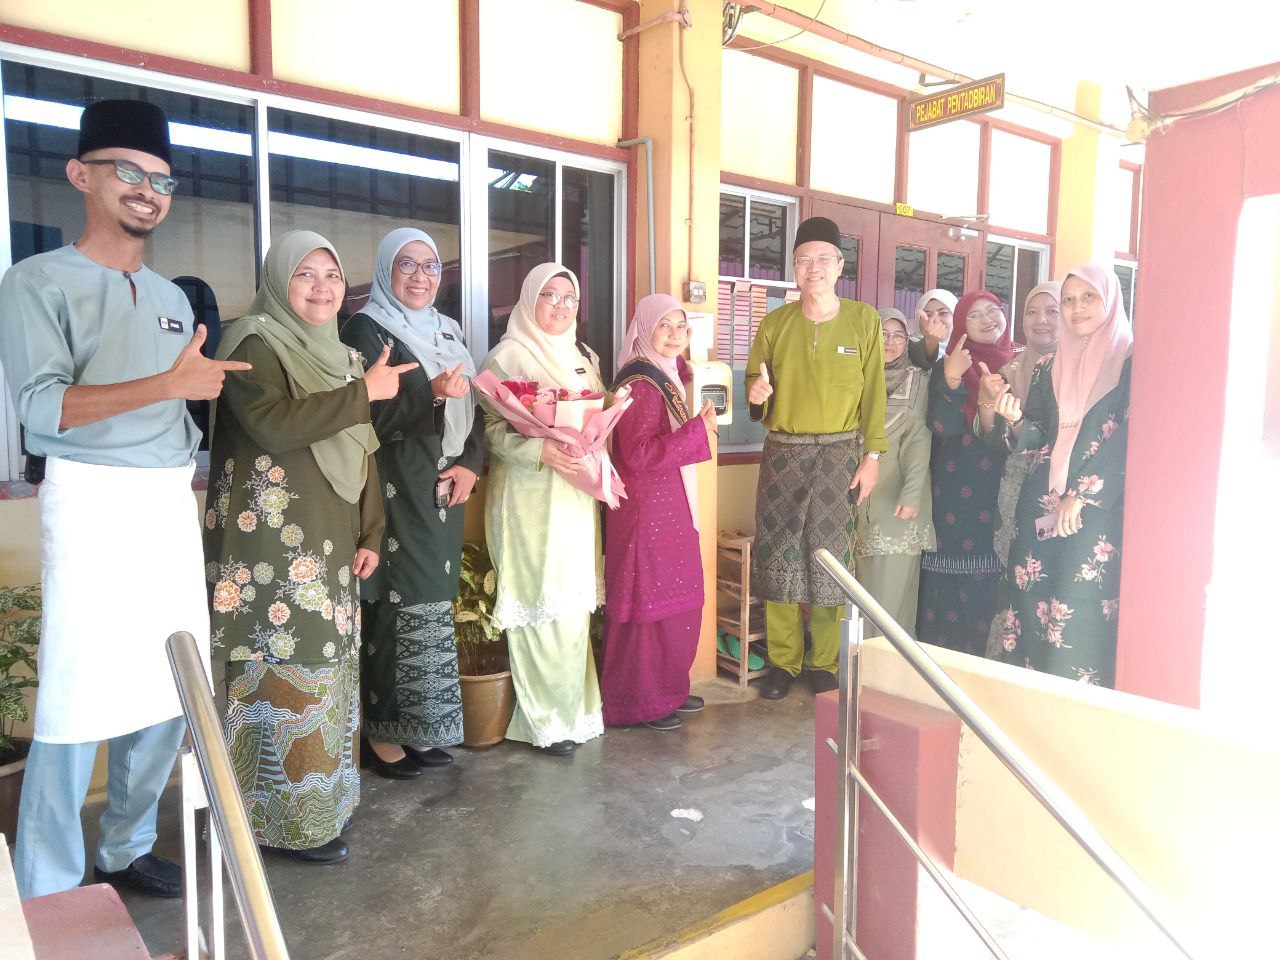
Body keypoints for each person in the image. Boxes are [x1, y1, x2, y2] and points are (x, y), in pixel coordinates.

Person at [0, 100, 249, 900]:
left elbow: (177, 400)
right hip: (91, 503)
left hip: (166, 502)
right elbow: (42, 410)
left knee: (171, 680)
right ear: (81, 176)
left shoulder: (172, 295)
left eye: (163, 180)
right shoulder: (36, 281)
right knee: (77, 693)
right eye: (129, 173)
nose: (149, 191)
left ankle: (127, 845)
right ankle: (46, 885)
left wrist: (189, 404)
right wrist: (169, 386)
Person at [206, 230, 414, 863]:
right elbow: (270, 424)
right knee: (277, 667)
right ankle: (273, 824)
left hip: (331, 536)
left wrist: (371, 529)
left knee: (327, 667)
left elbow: (362, 448)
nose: (322, 288)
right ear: (278, 281)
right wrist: (362, 394)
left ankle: (322, 809)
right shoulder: (253, 343)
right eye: (305, 274)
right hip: (268, 545)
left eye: (332, 275)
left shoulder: (344, 357)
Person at [340, 227, 481, 778]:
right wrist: (431, 394)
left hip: (443, 485)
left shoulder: (447, 330)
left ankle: (420, 729)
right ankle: (381, 731)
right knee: (397, 600)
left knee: (431, 603)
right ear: (385, 270)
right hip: (396, 482)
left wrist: (470, 463)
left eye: (430, 266)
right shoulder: (364, 328)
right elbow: (361, 416)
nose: (420, 277)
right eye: (407, 264)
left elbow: (475, 404)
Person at [745, 217, 886, 700]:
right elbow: (754, 384)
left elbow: (875, 395)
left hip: (841, 454)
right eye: (804, 259)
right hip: (784, 454)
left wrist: (872, 456)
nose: (814, 268)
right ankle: (783, 663)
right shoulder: (775, 324)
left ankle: (824, 662)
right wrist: (757, 395)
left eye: (824, 259)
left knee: (830, 560)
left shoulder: (864, 321)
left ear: (840, 266)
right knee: (780, 554)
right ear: (794, 267)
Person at [479, 263, 605, 755]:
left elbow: (596, 416)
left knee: (572, 605)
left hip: (575, 495)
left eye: (569, 297)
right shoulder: (507, 356)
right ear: (530, 298)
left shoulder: (583, 355)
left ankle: (576, 711)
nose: (560, 305)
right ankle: (545, 722)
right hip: (528, 496)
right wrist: (540, 450)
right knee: (539, 599)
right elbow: (492, 433)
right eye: (550, 295)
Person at [988, 265, 1133, 685]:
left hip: (1095, 511)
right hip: (1042, 502)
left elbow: (1131, 435)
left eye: (1088, 297)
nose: (1076, 308)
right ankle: (1027, 702)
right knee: (1028, 594)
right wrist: (1015, 420)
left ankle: (1073, 709)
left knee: (1078, 600)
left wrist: (1083, 494)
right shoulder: (1048, 367)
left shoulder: (1133, 362)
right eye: (1068, 299)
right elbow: (1038, 434)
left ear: (1110, 301)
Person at [602, 294, 716, 730]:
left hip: (668, 505)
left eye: (681, 326)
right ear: (644, 328)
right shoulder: (640, 382)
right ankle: (639, 702)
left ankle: (668, 691)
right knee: (646, 603)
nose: (673, 335)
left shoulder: (666, 374)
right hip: (647, 511)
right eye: (663, 325)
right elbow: (638, 453)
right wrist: (696, 431)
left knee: (674, 601)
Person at [917, 290, 1016, 655]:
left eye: (993, 310)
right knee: (947, 591)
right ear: (961, 326)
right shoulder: (950, 365)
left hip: (1002, 490)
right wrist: (952, 377)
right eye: (974, 315)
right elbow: (942, 426)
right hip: (954, 488)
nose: (987, 319)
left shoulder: (1023, 364)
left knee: (990, 591)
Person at [853, 309, 935, 637]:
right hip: (854, 501)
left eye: (899, 335)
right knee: (857, 598)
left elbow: (918, 442)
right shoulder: (853, 376)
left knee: (890, 602)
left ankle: (888, 665)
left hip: (896, 503)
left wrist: (911, 494)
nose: (890, 342)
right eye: (882, 334)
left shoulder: (916, 380)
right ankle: (859, 664)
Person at [976, 282, 1062, 570]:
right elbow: (993, 440)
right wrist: (988, 403)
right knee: (1019, 575)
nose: (1041, 320)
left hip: (1067, 492)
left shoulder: (1086, 368)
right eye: (1031, 312)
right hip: (1019, 489)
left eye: (1052, 311)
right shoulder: (1010, 371)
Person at [907, 288, 958, 370]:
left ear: (956, 317)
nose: (934, 320)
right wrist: (930, 342)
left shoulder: (968, 350)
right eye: (928, 314)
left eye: (943, 313)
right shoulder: (905, 347)